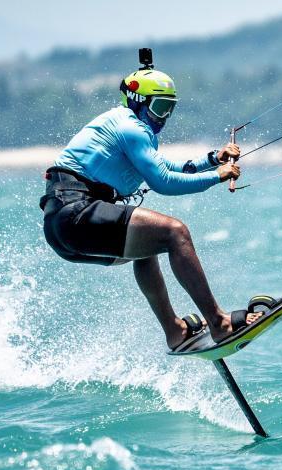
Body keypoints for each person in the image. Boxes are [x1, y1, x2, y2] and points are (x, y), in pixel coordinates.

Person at [39, 50, 263, 351]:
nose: (164, 117)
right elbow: (165, 183)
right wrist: (218, 176)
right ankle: (219, 323)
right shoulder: (130, 127)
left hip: (61, 228)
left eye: (170, 108)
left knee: (148, 245)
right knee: (174, 232)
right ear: (137, 101)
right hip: (76, 212)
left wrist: (212, 160)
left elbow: (168, 168)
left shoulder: (125, 129)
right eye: (159, 107)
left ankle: (175, 331)